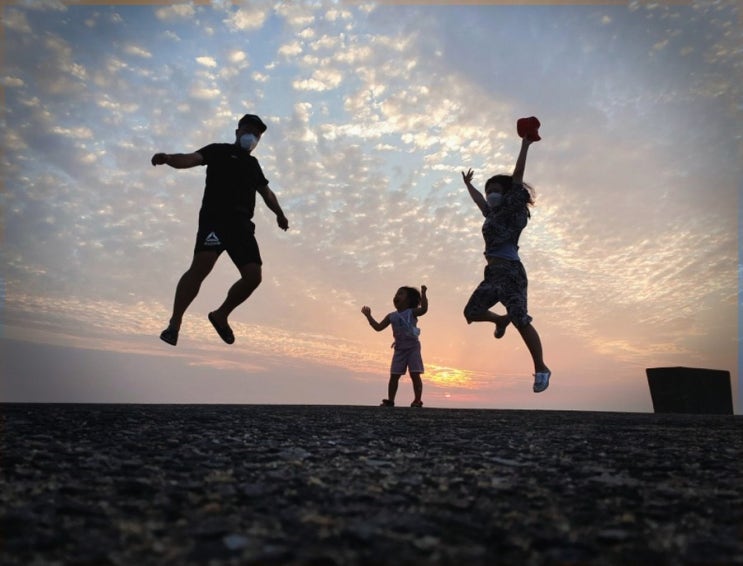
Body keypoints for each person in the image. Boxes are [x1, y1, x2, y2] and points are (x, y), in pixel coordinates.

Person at [151, 114, 289, 346]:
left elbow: (267, 193)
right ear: (237, 132)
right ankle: (174, 324)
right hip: (215, 220)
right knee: (201, 267)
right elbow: (190, 158)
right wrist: (168, 158)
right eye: (248, 131)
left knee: (253, 277)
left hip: (242, 226)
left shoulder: (253, 165)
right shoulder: (218, 150)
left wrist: (280, 214)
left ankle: (221, 315)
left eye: (257, 135)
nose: (252, 137)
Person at [461, 124, 551, 393]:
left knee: (521, 319)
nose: (491, 194)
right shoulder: (491, 214)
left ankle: (541, 368)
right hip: (493, 274)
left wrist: (524, 145)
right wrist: (469, 185)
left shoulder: (513, 210)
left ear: (507, 192)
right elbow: (480, 203)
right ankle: (500, 321)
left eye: (495, 190)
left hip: (511, 273)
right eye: (489, 191)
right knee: (472, 312)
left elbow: (518, 175)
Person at [361, 286, 428, 407]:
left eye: (401, 294)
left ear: (409, 300)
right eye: (396, 294)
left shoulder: (411, 312)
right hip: (399, 349)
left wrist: (423, 294)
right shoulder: (391, 316)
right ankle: (390, 400)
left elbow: (424, 309)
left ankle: (417, 400)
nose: (397, 296)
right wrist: (368, 316)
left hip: (413, 348)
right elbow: (378, 327)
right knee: (394, 375)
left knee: (415, 374)